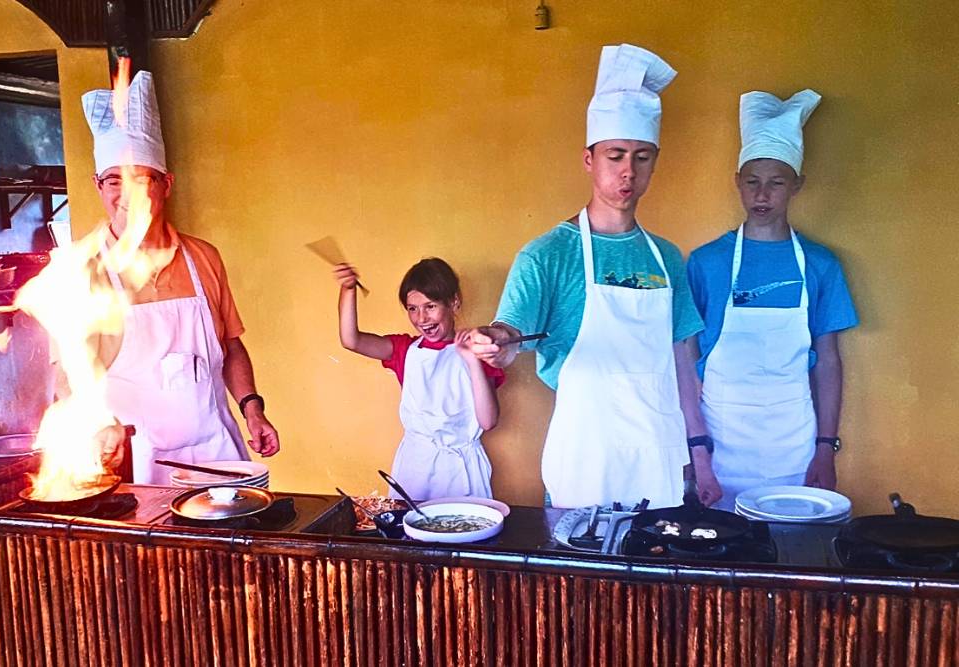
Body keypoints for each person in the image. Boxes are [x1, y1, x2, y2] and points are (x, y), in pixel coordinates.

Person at [470, 44, 720, 509]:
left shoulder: (666, 257)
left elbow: (683, 364)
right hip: (586, 455)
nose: (628, 171)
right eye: (615, 155)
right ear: (589, 160)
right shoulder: (547, 254)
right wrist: (493, 340)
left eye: (642, 157)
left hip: (657, 456)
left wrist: (699, 457)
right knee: (580, 579)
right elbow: (508, 334)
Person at [59, 70, 280, 484]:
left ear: (167, 184)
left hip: (219, 457)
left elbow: (230, 346)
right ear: (97, 184)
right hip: (136, 468)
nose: (128, 195)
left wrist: (252, 408)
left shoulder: (204, 258)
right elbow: (67, 377)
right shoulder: (82, 270)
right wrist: (95, 423)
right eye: (113, 180)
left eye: (143, 179)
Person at [686, 89, 858, 510]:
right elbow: (685, 359)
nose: (762, 195)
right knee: (719, 556)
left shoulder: (820, 264)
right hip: (719, 442)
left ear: (797, 185)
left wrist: (824, 447)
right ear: (738, 184)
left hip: (793, 443)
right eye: (752, 182)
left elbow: (829, 361)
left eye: (776, 183)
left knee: (789, 551)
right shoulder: (707, 262)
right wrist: (696, 452)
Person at [333, 257, 504, 500]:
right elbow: (352, 340)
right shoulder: (404, 349)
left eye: (430, 306)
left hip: (462, 468)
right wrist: (348, 290)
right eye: (413, 308)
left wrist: (472, 361)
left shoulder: (480, 350)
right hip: (415, 467)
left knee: (465, 533)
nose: (421, 318)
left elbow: (488, 421)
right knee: (410, 534)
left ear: (454, 302)